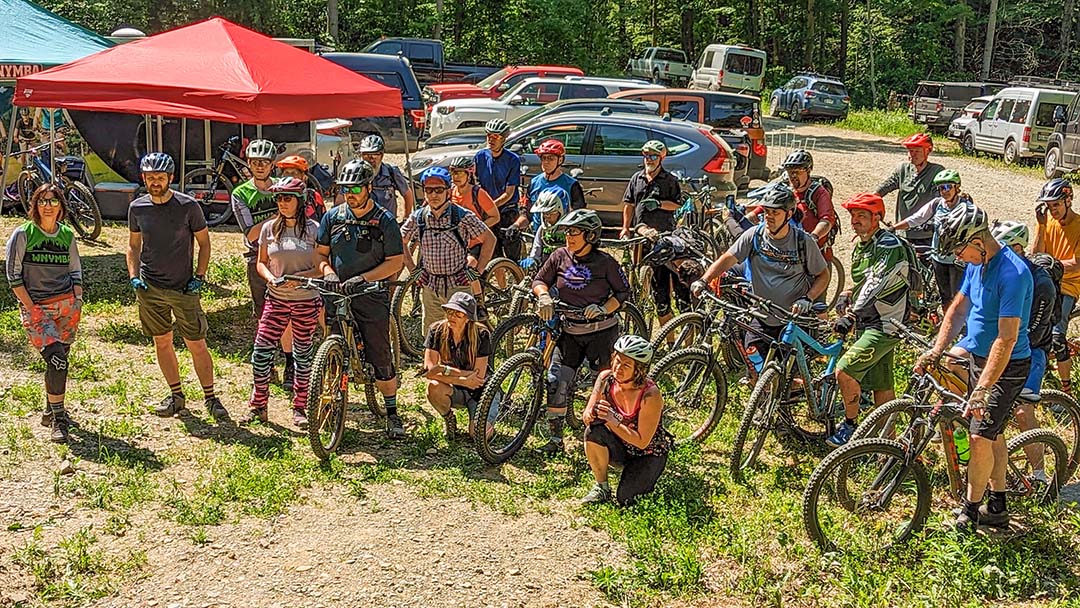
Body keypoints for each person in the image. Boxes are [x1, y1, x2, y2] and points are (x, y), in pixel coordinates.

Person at [917, 204, 1032, 531]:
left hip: (1007, 364)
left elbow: (1006, 340)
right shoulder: (976, 262)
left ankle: (970, 509)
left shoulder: (1013, 273)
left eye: (959, 249)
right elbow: (957, 311)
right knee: (990, 431)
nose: (958, 257)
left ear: (979, 242)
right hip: (975, 353)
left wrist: (981, 389)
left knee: (981, 435)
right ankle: (999, 503)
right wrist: (936, 351)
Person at [127, 153, 224, 420]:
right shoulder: (137, 208)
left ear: (171, 178)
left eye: (160, 177)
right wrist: (134, 276)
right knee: (162, 342)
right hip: (150, 287)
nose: (155, 182)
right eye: (150, 177)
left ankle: (211, 397)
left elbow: (204, 243)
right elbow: (133, 246)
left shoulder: (188, 206)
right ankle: (176, 395)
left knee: (197, 343)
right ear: (144, 178)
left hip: (183, 287)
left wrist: (199, 277)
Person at [316, 159, 407, 438]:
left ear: (369, 187)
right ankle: (328, 406)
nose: (350, 193)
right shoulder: (333, 217)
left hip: (370, 295)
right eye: (345, 188)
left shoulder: (385, 220)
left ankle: (392, 412)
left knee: (380, 354)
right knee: (330, 352)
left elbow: (396, 262)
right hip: (337, 293)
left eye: (356, 187)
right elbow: (320, 254)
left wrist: (365, 278)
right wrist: (327, 272)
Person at [692, 186, 829, 367]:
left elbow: (823, 275)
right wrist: (704, 280)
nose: (769, 216)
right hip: (763, 316)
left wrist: (808, 298)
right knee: (754, 358)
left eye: (775, 212)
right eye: (766, 211)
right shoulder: (754, 235)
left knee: (789, 380)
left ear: (789, 214)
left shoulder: (803, 242)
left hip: (793, 322)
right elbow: (727, 258)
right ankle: (761, 389)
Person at [532, 209, 632, 455]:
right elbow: (539, 280)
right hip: (569, 333)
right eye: (567, 232)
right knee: (556, 382)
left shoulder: (606, 262)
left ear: (590, 235)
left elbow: (623, 293)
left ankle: (604, 439)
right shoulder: (559, 256)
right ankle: (555, 439)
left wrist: (602, 308)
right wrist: (544, 295)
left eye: (574, 232)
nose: (569, 237)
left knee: (606, 386)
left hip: (600, 334)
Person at [828, 193, 912, 447]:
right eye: (853, 215)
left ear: (877, 218)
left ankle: (850, 427)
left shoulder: (889, 246)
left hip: (886, 324)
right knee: (881, 386)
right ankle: (886, 443)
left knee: (844, 371)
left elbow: (877, 282)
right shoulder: (863, 245)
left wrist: (851, 315)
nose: (855, 220)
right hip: (871, 322)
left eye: (862, 215)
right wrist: (847, 292)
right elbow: (864, 282)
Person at [241, 177, 322, 428]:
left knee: (303, 356)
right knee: (261, 352)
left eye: (287, 198)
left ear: (300, 200)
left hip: (305, 301)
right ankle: (258, 405)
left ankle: (300, 408)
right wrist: (271, 279)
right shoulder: (268, 229)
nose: (282, 203)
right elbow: (261, 262)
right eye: (278, 198)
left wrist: (300, 279)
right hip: (275, 300)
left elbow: (322, 266)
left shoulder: (315, 229)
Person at [5, 183, 82, 442]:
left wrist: (78, 298)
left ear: (61, 205)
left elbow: (75, 270)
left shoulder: (67, 235)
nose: (48, 206)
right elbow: (13, 276)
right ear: (35, 205)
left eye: (53, 201)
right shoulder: (23, 234)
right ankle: (59, 420)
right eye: (42, 201)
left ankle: (52, 409)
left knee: (60, 360)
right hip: (37, 308)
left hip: (66, 307)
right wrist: (30, 307)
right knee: (57, 360)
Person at [231, 139, 297, 388]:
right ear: (249, 164)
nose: (260, 167)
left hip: (287, 256)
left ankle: (290, 363)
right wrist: (278, 215)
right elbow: (250, 234)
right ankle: (267, 363)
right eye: (255, 163)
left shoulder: (283, 187)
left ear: (272, 165)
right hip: (257, 258)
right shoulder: (241, 194)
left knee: (289, 313)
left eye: (265, 163)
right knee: (265, 315)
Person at [401, 166, 495, 333]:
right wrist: (413, 270)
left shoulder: (461, 216)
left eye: (438, 190)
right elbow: (400, 240)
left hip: (458, 285)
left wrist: (478, 271)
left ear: (448, 191)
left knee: (464, 336)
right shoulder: (418, 217)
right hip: (431, 287)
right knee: (433, 336)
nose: (434, 195)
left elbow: (489, 239)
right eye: (429, 190)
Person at [581, 335, 672, 506]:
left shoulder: (650, 395)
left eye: (626, 365)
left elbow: (642, 442)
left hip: (647, 454)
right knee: (593, 432)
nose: (618, 368)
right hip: (621, 445)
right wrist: (591, 413)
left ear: (638, 370)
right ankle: (601, 487)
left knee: (626, 499)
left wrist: (612, 421)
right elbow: (587, 415)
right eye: (617, 361)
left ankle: (641, 477)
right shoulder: (605, 379)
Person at [621, 140, 686, 327]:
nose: (649, 159)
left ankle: (673, 339)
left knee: (665, 288)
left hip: (664, 238)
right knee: (642, 286)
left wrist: (659, 204)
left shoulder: (670, 180)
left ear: (661, 158)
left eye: (653, 156)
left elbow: (677, 204)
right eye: (646, 156)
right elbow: (628, 204)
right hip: (641, 237)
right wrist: (625, 227)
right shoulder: (637, 178)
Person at [992, 222, 1056, 407]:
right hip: (1005, 343)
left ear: (1018, 248)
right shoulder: (1005, 273)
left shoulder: (1042, 285)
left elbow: (1036, 332)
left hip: (1032, 350)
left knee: (1022, 411)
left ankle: (1035, 436)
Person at [892, 168, 973, 306]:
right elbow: (916, 218)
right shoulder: (937, 204)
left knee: (958, 295)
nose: (945, 191)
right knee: (945, 295)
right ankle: (948, 324)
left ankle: (960, 324)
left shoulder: (967, 207)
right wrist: (894, 228)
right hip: (939, 257)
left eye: (948, 186)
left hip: (957, 260)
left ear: (957, 187)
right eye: (941, 188)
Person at [1030, 178, 1080, 393]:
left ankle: (1065, 389)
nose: (1053, 210)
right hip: (1046, 283)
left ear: (1068, 201)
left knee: (1058, 337)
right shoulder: (1046, 221)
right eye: (1049, 206)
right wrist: (1041, 225)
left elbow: (1078, 263)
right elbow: (1036, 254)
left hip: (1068, 286)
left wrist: (1052, 267)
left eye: (1056, 205)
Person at [422, 292, 493, 441]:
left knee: (478, 435)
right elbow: (429, 371)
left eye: (458, 314)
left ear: (468, 318)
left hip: (480, 391)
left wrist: (442, 370)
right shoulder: (436, 330)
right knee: (433, 387)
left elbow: (478, 377)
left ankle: (486, 418)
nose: (452, 316)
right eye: (450, 311)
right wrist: (462, 380)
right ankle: (449, 418)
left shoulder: (481, 334)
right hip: (456, 386)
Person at [745, 150, 837, 261]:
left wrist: (813, 237)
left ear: (808, 171)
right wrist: (749, 217)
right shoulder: (786, 189)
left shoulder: (819, 192)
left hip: (811, 250)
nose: (792, 176)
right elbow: (766, 206)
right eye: (789, 172)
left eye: (797, 172)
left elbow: (826, 220)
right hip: (787, 245)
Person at [449, 155, 500, 315]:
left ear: (469, 174)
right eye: (453, 173)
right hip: (456, 242)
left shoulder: (478, 194)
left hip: (475, 243)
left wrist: (477, 230)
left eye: (459, 173)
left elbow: (495, 216)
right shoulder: (450, 193)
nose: (456, 176)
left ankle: (479, 302)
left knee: (468, 267)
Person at [875, 133, 945, 248]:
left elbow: (940, 200)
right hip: (902, 232)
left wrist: (932, 222)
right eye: (910, 151)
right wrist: (871, 199)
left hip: (925, 235)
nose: (912, 155)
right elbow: (887, 185)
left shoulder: (936, 172)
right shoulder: (902, 169)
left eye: (917, 151)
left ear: (928, 151)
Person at [474, 119, 523, 260]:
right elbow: (476, 184)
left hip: (506, 209)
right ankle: (498, 281)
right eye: (489, 135)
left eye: (496, 137)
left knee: (510, 248)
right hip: (488, 211)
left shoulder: (512, 160)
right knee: (492, 253)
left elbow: (509, 193)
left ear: (504, 139)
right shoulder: (480, 157)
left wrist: (490, 206)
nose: (491, 139)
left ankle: (517, 275)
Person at [520, 139, 585, 231]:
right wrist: (515, 226)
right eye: (543, 158)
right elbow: (526, 214)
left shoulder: (572, 185)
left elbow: (578, 217)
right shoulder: (534, 182)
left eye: (551, 158)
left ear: (560, 160)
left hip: (562, 238)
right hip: (537, 237)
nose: (546, 162)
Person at [358, 134, 414, 220]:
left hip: (387, 225)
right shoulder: (354, 174)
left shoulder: (391, 172)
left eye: (375, 154)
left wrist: (406, 218)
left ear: (382, 155)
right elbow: (342, 198)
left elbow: (407, 194)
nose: (371, 159)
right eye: (366, 155)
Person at [519, 188, 568, 271]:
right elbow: (536, 249)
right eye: (544, 213)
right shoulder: (542, 229)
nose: (547, 216)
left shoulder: (570, 231)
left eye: (550, 213)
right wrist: (533, 260)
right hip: (546, 272)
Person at [275, 155, 326, 221]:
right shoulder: (278, 197)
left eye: (294, 173)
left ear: (304, 177)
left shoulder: (313, 196)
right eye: (286, 173)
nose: (290, 176)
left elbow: (324, 220)